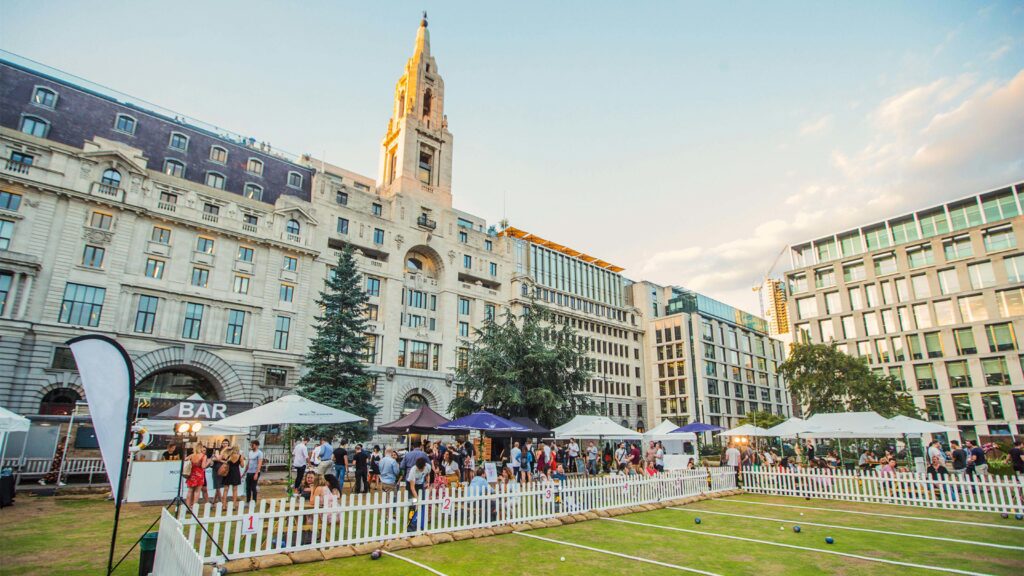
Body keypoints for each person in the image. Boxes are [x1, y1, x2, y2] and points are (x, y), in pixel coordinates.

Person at [184, 442, 208, 508]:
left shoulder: (192, 455)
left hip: (192, 474)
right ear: (201, 448)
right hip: (199, 475)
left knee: (190, 491)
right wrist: (208, 462)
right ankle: (194, 507)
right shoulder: (203, 456)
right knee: (197, 491)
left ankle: (188, 506)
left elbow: (185, 459)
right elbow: (203, 466)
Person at [211, 438, 231, 503]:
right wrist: (223, 461)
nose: (225, 444)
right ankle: (221, 501)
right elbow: (217, 458)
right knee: (217, 485)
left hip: (224, 469)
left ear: (228, 444)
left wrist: (218, 459)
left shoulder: (229, 452)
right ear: (221, 444)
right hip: (216, 468)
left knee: (220, 485)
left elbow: (228, 460)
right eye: (223, 443)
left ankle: (214, 501)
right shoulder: (218, 450)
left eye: (226, 443)